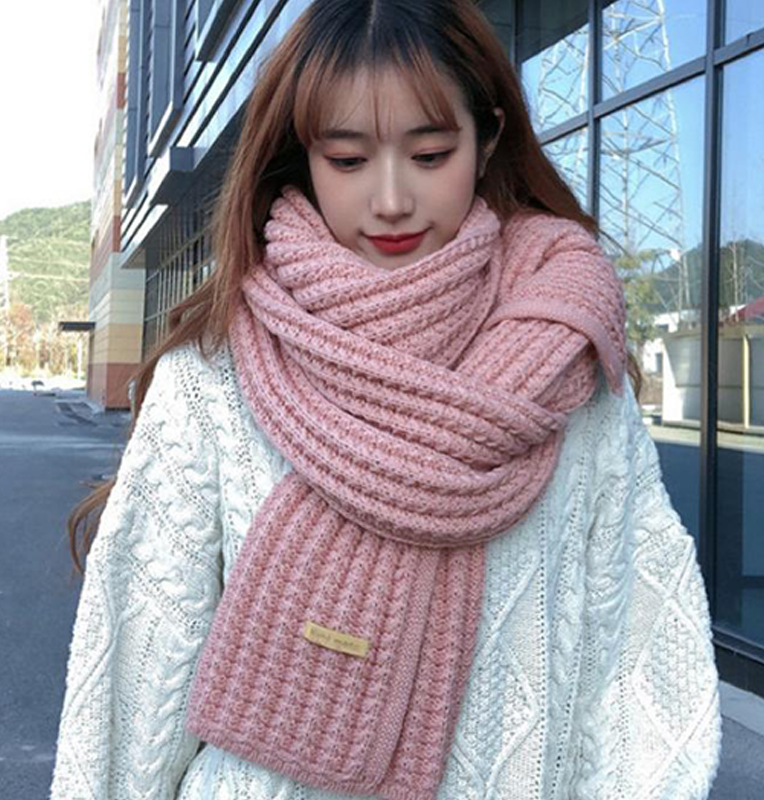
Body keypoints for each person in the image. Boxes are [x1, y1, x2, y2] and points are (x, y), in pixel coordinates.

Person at [50, 1, 722, 799]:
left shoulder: (567, 371)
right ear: (302, 157)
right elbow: (135, 673)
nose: (393, 198)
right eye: (348, 159)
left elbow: (638, 669)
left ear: (488, 140)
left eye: (431, 154)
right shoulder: (217, 376)